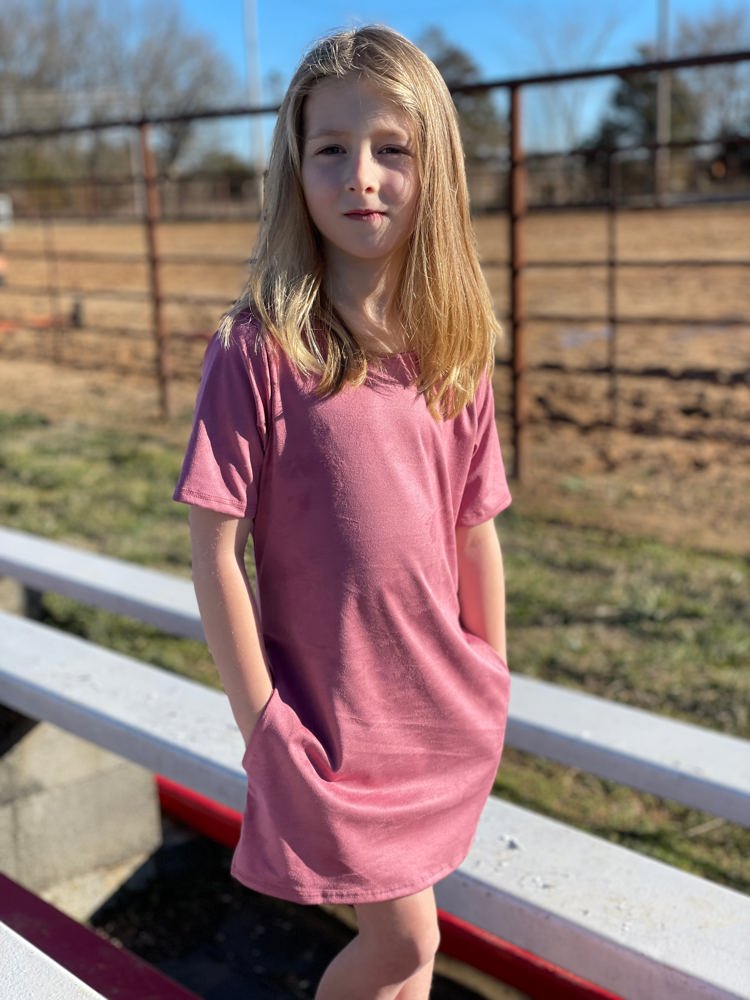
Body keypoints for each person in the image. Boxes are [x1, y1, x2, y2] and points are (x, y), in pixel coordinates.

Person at [174, 24, 511, 1000]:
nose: (362, 174)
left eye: (391, 148)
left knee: (417, 955)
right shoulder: (257, 350)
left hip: (439, 712)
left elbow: (473, 525)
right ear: (296, 164)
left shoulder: (453, 347)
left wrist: (492, 669)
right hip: (330, 729)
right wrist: (262, 724)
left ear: (432, 165)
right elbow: (213, 547)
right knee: (403, 943)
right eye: (332, 148)